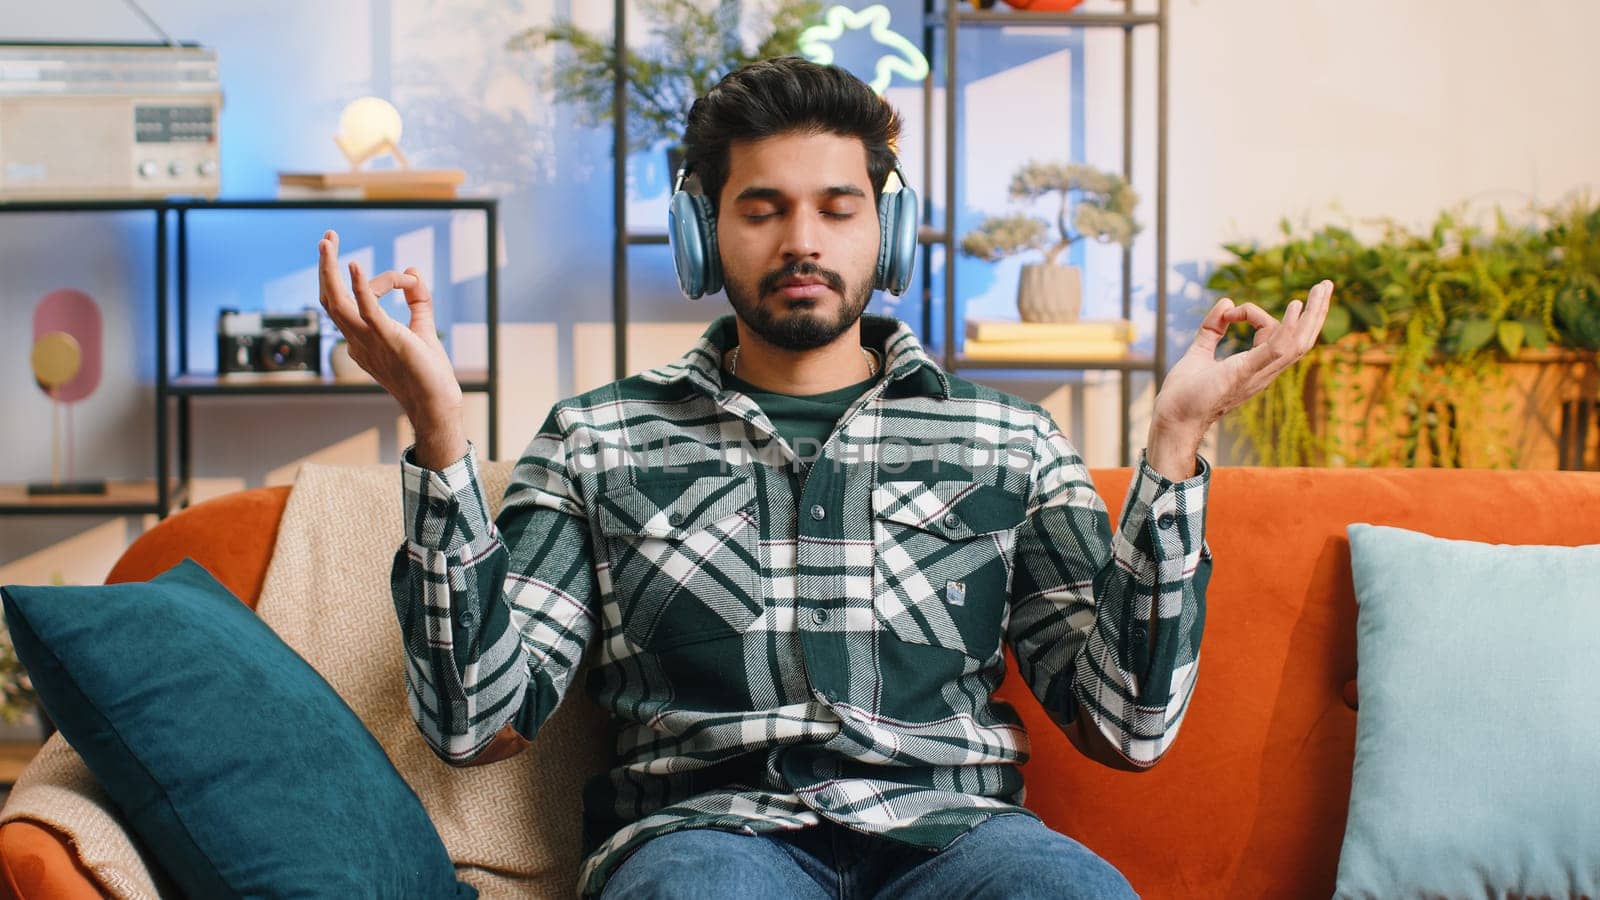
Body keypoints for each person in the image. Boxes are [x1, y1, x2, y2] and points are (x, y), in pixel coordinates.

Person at [317, 56, 1331, 900]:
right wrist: (439, 436)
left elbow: (1129, 726)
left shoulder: (1008, 440)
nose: (802, 239)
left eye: (836, 208)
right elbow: (472, 723)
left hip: (958, 844)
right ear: (702, 229)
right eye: (762, 208)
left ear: (882, 232)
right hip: (708, 843)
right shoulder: (596, 439)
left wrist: (1174, 444)